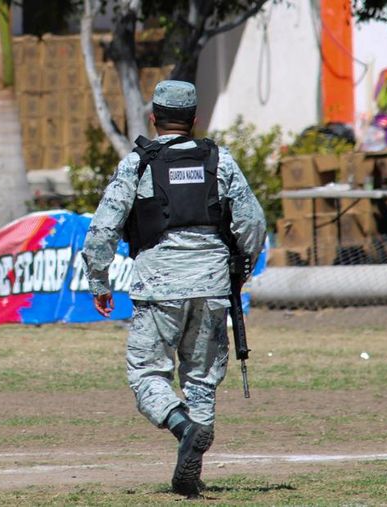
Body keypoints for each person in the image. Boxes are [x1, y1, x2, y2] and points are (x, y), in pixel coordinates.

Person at [82, 80, 266, 496]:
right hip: (212, 285)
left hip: (158, 287)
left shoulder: (138, 164)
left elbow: (104, 228)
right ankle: (192, 467)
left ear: (154, 118)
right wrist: (242, 269)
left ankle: (183, 429)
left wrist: (99, 280)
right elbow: (253, 224)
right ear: (195, 119)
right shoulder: (219, 161)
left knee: (146, 374)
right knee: (201, 379)